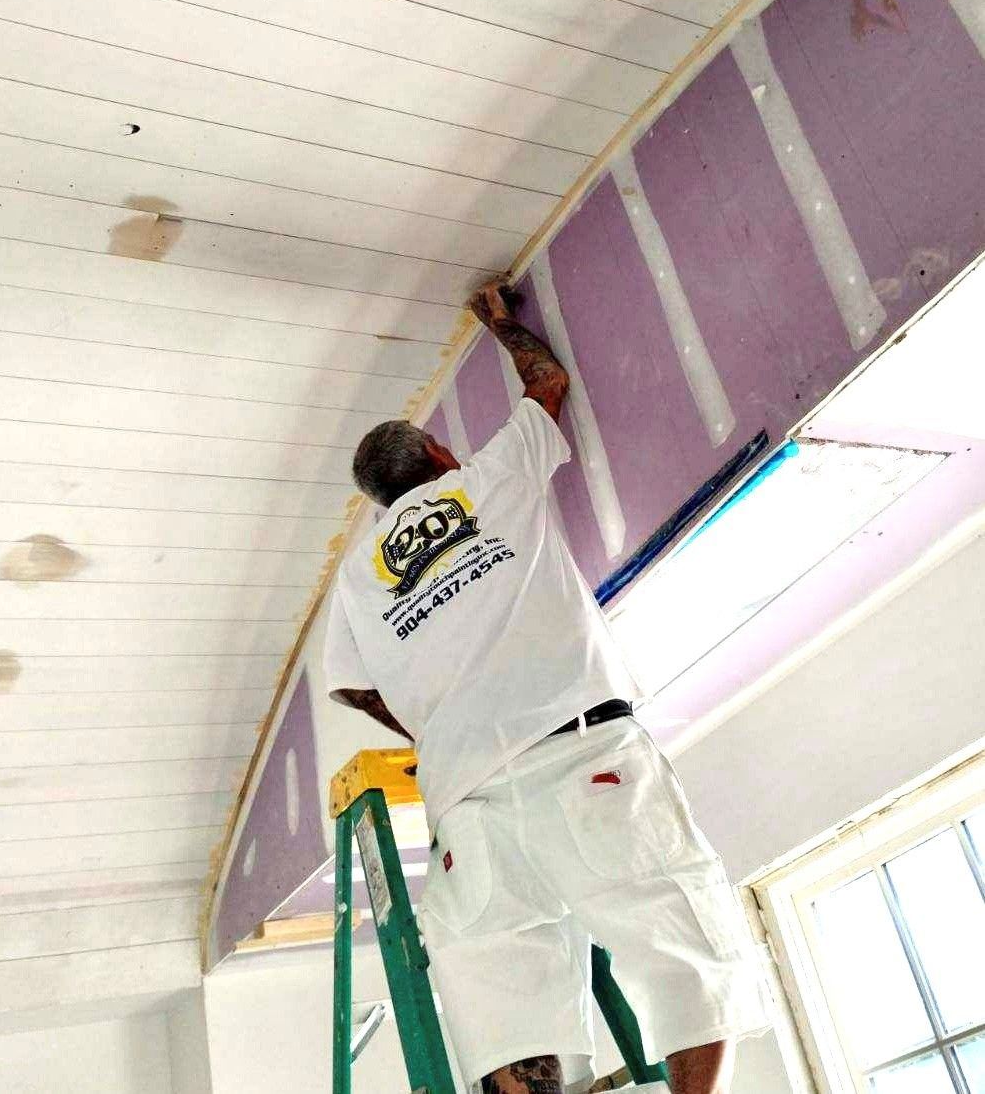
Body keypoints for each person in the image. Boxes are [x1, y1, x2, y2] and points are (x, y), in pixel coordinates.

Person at [325, 278, 768, 1094]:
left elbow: (351, 688)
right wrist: (499, 322)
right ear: (436, 458)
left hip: (465, 802)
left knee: (506, 995)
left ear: (381, 501)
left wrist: (436, 721)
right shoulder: (486, 481)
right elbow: (548, 385)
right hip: (580, 753)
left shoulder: (357, 574)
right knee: (680, 946)